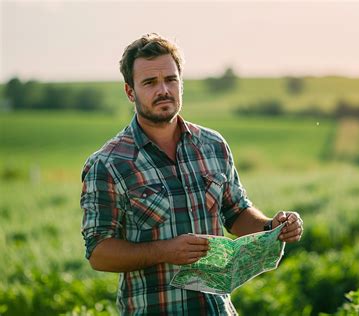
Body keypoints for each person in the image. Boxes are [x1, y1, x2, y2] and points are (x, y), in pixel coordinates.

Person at [80, 33, 304, 315]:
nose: (163, 90)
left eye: (170, 80)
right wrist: (164, 251)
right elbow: (99, 253)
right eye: (149, 82)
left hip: (217, 309)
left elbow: (236, 212)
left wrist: (272, 227)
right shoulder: (109, 163)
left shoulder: (212, 145)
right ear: (130, 92)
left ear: (180, 83)